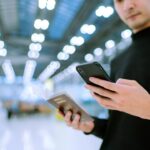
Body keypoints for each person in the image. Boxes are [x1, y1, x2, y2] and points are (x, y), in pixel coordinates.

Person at [60, 0, 150, 149]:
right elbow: (120, 128)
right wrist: (92, 126)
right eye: (119, 0)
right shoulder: (118, 60)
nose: (128, 6)